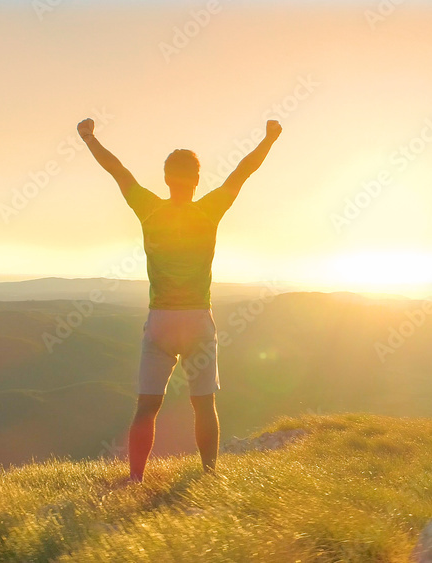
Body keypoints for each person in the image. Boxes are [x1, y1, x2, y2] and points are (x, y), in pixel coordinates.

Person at [77, 117, 282, 481]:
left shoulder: (149, 208)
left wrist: (89, 137)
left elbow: (117, 170)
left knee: (147, 407)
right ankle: (209, 474)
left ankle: (136, 479)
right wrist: (270, 138)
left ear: (167, 178)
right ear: (197, 179)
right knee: (204, 406)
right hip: (198, 319)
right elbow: (242, 171)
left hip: (160, 320)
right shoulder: (208, 210)